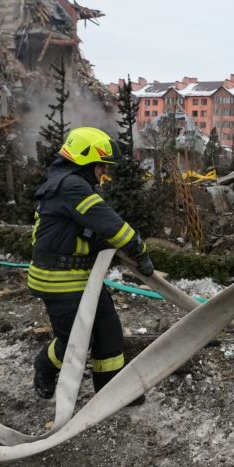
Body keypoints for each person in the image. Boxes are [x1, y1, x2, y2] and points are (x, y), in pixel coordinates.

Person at [28, 126, 155, 402]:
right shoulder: (71, 187)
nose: (104, 172)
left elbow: (86, 232)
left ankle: (110, 392)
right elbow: (111, 224)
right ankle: (44, 366)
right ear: (85, 161)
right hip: (58, 281)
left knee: (109, 332)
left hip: (82, 278)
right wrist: (139, 251)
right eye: (100, 165)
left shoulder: (72, 186)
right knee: (75, 341)